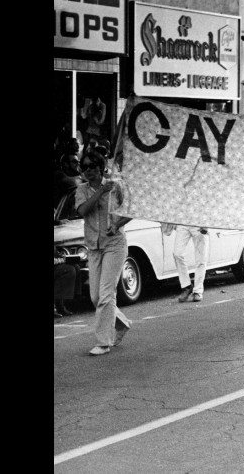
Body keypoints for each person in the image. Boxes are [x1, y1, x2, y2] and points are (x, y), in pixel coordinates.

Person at [75, 150, 132, 355]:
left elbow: (130, 210)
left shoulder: (116, 186)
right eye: (85, 167)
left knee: (107, 294)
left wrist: (117, 225)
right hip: (93, 245)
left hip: (114, 244)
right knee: (95, 296)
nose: (88, 170)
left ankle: (103, 342)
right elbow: (82, 211)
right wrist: (100, 191)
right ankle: (121, 323)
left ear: (101, 167)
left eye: (92, 166)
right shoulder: (82, 189)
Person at [164, 224, 210, 303]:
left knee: (201, 258)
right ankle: (186, 286)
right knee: (177, 254)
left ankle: (198, 291)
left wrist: (206, 224)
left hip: (199, 222)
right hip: (183, 222)